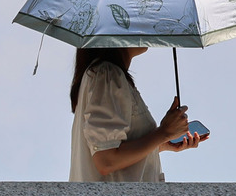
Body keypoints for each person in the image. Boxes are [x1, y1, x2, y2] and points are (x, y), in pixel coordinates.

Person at [68, 46, 208, 182]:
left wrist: (162, 144)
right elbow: (106, 161)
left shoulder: (107, 75)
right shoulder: (108, 74)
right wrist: (163, 132)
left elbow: (114, 151)